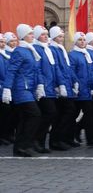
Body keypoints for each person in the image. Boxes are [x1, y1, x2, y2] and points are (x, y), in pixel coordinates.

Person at [2, 24, 43, 157]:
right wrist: (7, 89)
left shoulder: (30, 50)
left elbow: (36, 70)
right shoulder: (19, 51)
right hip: (21, 89)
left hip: (29, 89)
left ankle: (20, 148)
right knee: (34, 115)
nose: (32, 35)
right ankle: (25, 145)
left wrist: (39, 85)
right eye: (30, 33)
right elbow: (11, 71)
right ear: (24, 36)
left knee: (25, 118)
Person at [69, 32, 93, 147]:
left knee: (89, 113)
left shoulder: (86, 54)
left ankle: (89, 137)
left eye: (84, 40)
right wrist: (76, 84)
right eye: (80, 40)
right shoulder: (73, 55)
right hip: (79, 90)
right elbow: (72, 71)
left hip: (87, 90)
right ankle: (74, 134)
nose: (83, 42)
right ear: (75, 42)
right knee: (74, 114)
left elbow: (91, 71)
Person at [48, 26, 79, 150]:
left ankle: (66, 138)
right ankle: (56, 139)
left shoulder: (61, 49)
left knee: (68, 113)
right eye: (59, 36)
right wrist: (59, 84)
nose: (61, 38)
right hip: (60, 86)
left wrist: (74, 81)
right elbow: (56, 69)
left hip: (67, 85)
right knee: (65, 113)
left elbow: (67, 68)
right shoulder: (53, 49)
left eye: (62, 36)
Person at [32, 25, 58, 153]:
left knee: (49, 114)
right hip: (43, 88)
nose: (46, 36)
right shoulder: (37, 49)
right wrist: (40, 85)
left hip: (50, 87)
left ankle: (40, 142)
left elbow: (53, 68)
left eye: (46, 34)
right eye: (42, 34)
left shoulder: (47, 49)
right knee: (49, 112)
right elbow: (38, 69)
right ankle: (36, 140)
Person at [0, 33, 13, 145]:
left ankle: (7, 134)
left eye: (4, 42)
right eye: (1, 42)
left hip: (6, 88)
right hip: (1, 88)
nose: (3, 44)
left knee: (8, 114)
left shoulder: (5, 55)